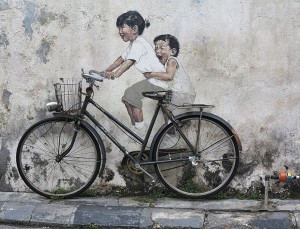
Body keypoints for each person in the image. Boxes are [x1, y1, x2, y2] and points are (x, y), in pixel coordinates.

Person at [100, 11, 168, 134]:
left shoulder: (139, 44)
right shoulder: (133, 44)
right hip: (153, 80)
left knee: (131, 94)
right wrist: (105, 71)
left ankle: (140, 129)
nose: (120, 31)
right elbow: (120, 60)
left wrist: (115, 74)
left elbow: (129, 62)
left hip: (158, 81)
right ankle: (135, 126)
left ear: (134, 29)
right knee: (127, 98)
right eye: (119, 28)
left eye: (122, 27)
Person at [143, 34, 196, 124]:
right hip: (181, 93)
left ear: (173, 51)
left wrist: (151, 74)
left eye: (162, 48)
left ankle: (173, 128)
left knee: (165, 107)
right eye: (156, 48)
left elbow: (169, 76)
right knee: (165, 107)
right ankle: (179, 122)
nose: (157, 51)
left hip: (182, 93)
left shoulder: (172, 60)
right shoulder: (166, 63)